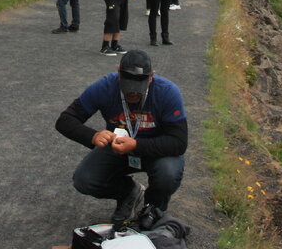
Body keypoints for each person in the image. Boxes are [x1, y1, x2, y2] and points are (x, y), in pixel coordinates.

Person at [56, 50, 187, 228]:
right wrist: (93, 136)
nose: (132, 93)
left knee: (168, 174)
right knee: (84, 179)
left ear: (151, 77)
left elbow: (179, 142)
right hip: (117, 148)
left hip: (156, 151)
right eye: (127, 87)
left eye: (138, 88)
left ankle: (153, 210)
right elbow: (65, 120)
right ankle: (129, 193)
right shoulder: (104, 87)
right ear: (118, 72)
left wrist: (136, 145)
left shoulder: (167, 92)